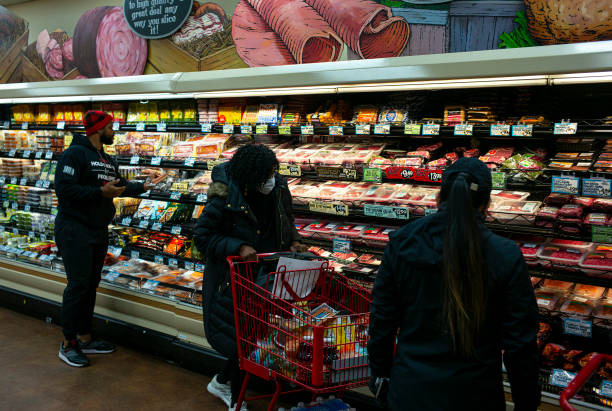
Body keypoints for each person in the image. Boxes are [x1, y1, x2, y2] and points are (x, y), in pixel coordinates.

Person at [368, 158, 540, 411]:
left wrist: (381, 378)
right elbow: (520, 344)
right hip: (476, 395)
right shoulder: (505, 254)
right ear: (486, 205)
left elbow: (382, 322)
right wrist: (526, 403)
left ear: (439, 198)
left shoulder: (402, 244)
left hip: (411, 391)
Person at [194, 144, 304, 411]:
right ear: (249, 176)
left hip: (268, 275)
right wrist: (238, 247)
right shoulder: (224, 192)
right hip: (232, 278)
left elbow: (286, 220)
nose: (271, 179)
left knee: (252, 336)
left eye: (273, 172)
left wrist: (294, 242)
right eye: (265, 175)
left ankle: (222, 381)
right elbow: (202, 237)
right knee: (242, 338)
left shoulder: (278, 186)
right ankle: (236, 399)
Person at [54, 110, 163, 367]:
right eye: (111, 127)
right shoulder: (75, 154)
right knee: (78, 285)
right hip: (74, 228)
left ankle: (85, 336)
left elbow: (118, 186)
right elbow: (64, 188)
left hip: (97, 229)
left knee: (90, 285)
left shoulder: (106, 158)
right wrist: (99, 192)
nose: (114, 132)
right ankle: (68, 342)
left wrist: (145, 185)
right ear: (98, 129)